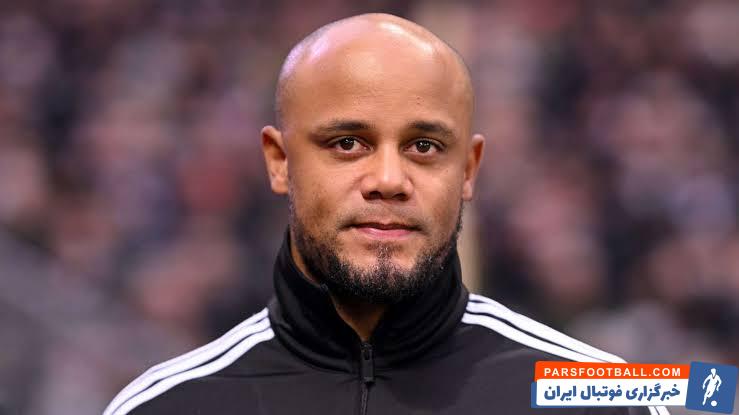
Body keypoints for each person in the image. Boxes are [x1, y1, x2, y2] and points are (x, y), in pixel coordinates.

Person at [103, 13, 669, 415]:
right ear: (279, 161)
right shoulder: (166, 406)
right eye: (348, 143)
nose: (389, 180)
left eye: (424, 146)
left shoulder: (607, 397)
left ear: (468, 169)